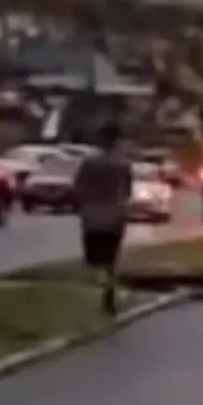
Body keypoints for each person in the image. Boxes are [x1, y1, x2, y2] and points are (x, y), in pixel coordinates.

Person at [73, 122, 133, 314]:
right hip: (114, 215)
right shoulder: (123, 164)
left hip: (92, 215)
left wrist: (84, 203)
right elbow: (127, 191)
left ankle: (99, 293)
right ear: (117, 141)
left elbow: (79, 186)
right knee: (110, 258)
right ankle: (108, 292)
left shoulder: (90, 163)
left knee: (93, 258)